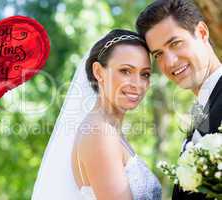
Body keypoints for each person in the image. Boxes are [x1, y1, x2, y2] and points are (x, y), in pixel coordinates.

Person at [31, 29, 162, 200]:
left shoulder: (109, 130)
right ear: (99, 72)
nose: (137, 84)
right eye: (125, 71)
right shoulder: (99, 133)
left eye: (144, 74)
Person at [136, 0, 222, 199]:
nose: (169, 62)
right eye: (158, 54)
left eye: (175, 43)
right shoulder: (202, 109)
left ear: (201, 32)